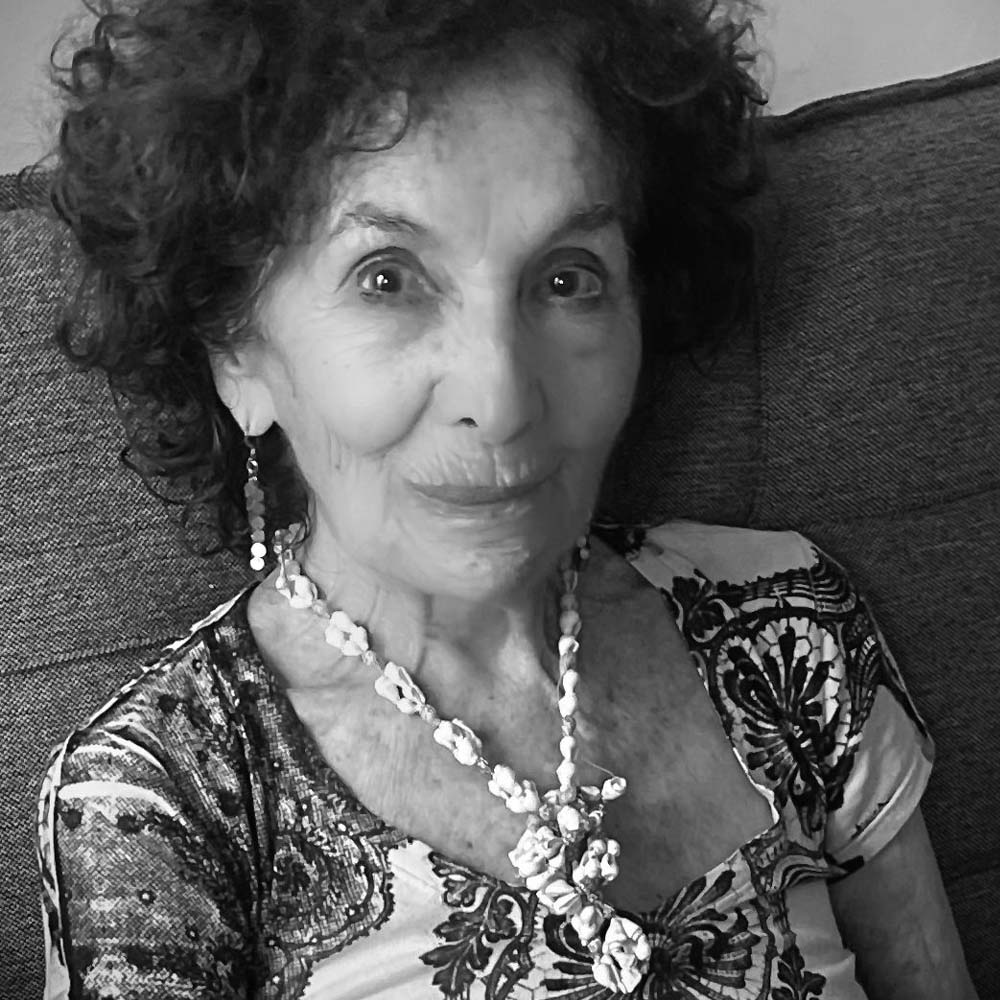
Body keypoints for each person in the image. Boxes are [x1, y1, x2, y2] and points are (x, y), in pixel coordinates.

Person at [35, 0, 977, 997]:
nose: (502, 397)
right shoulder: (156, 799)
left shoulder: (789, 622)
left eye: (567, 279)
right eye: (387, 278)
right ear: (236, 352)